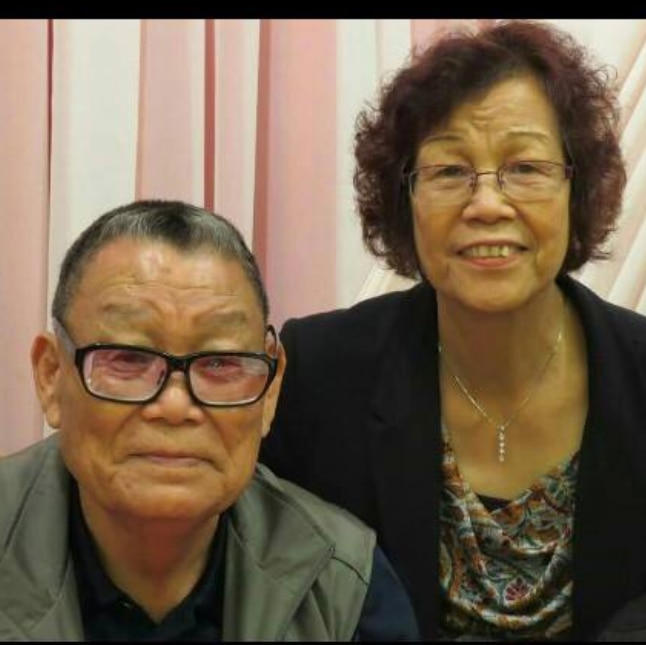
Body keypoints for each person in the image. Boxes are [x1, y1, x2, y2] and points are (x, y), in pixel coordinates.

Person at [260, 19, 646, 641]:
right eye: (449, 172)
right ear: (402, 199)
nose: (487, 204)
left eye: (524, 167)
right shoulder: (321, 372)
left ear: (576, 189)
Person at [0, 200, 419, 641]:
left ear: (271, 389)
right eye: (128, 358)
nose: (176, 406)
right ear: (51, 377)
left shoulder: (340, 586)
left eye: (220, 364)